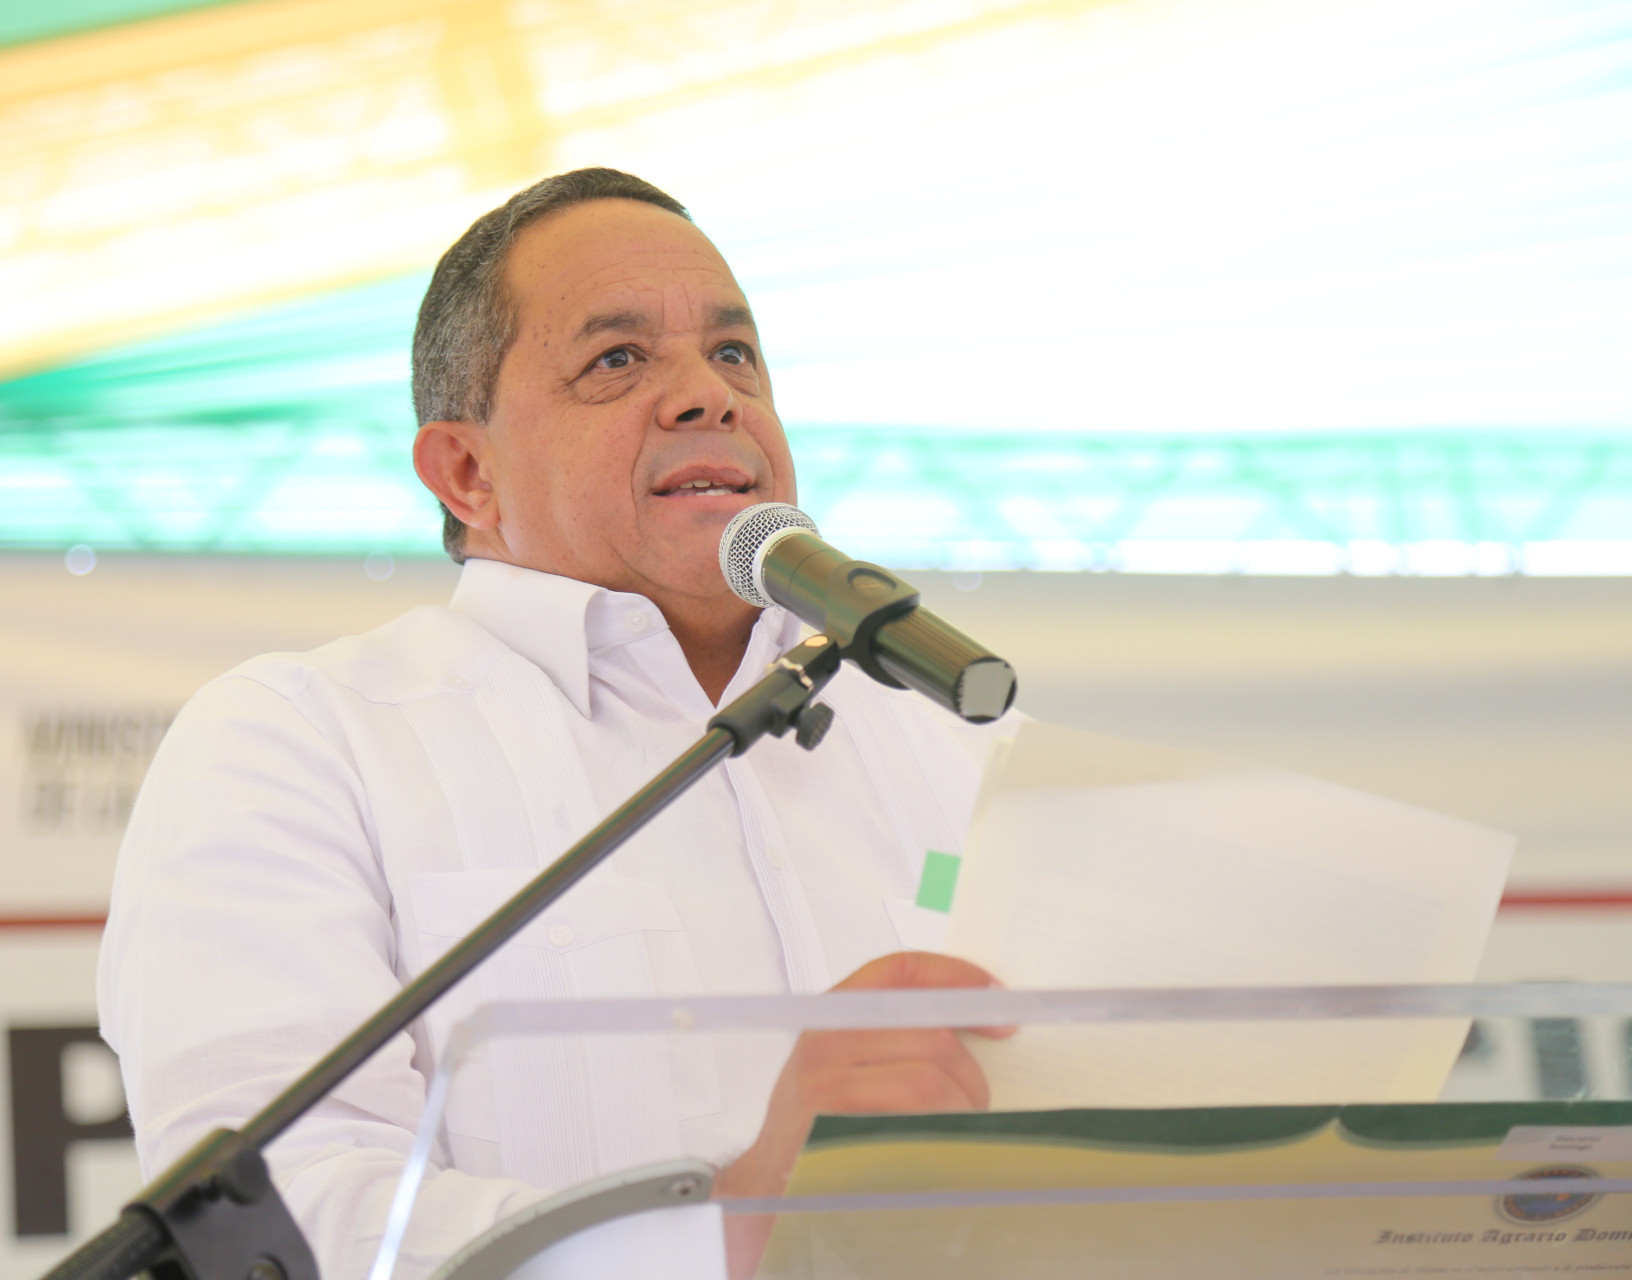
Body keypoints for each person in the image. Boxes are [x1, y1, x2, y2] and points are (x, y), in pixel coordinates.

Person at [98, 168, 1015, 1279]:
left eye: (734, 353)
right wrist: (721, 1231)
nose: (708, 395)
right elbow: (275, 1224)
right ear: (467, 471)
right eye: (618, 359)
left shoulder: (947, 738)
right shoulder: (299, 744)